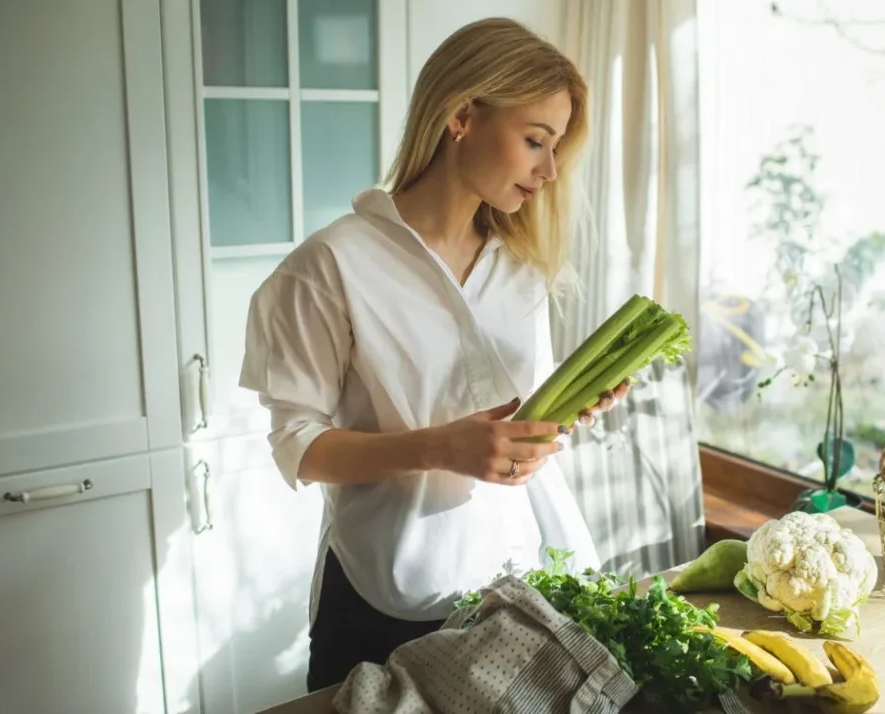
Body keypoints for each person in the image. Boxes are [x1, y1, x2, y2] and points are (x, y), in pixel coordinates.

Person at [238, 18, 630, 693]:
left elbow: (514, 431)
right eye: (535, 140)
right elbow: (298, 447)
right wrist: (440, 448)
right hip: (380, 606)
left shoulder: (521, 267)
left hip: (513, 598)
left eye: (556, 147)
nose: (549, 171)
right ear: (461, 117)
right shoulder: (331, 266)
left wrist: (565, 414)